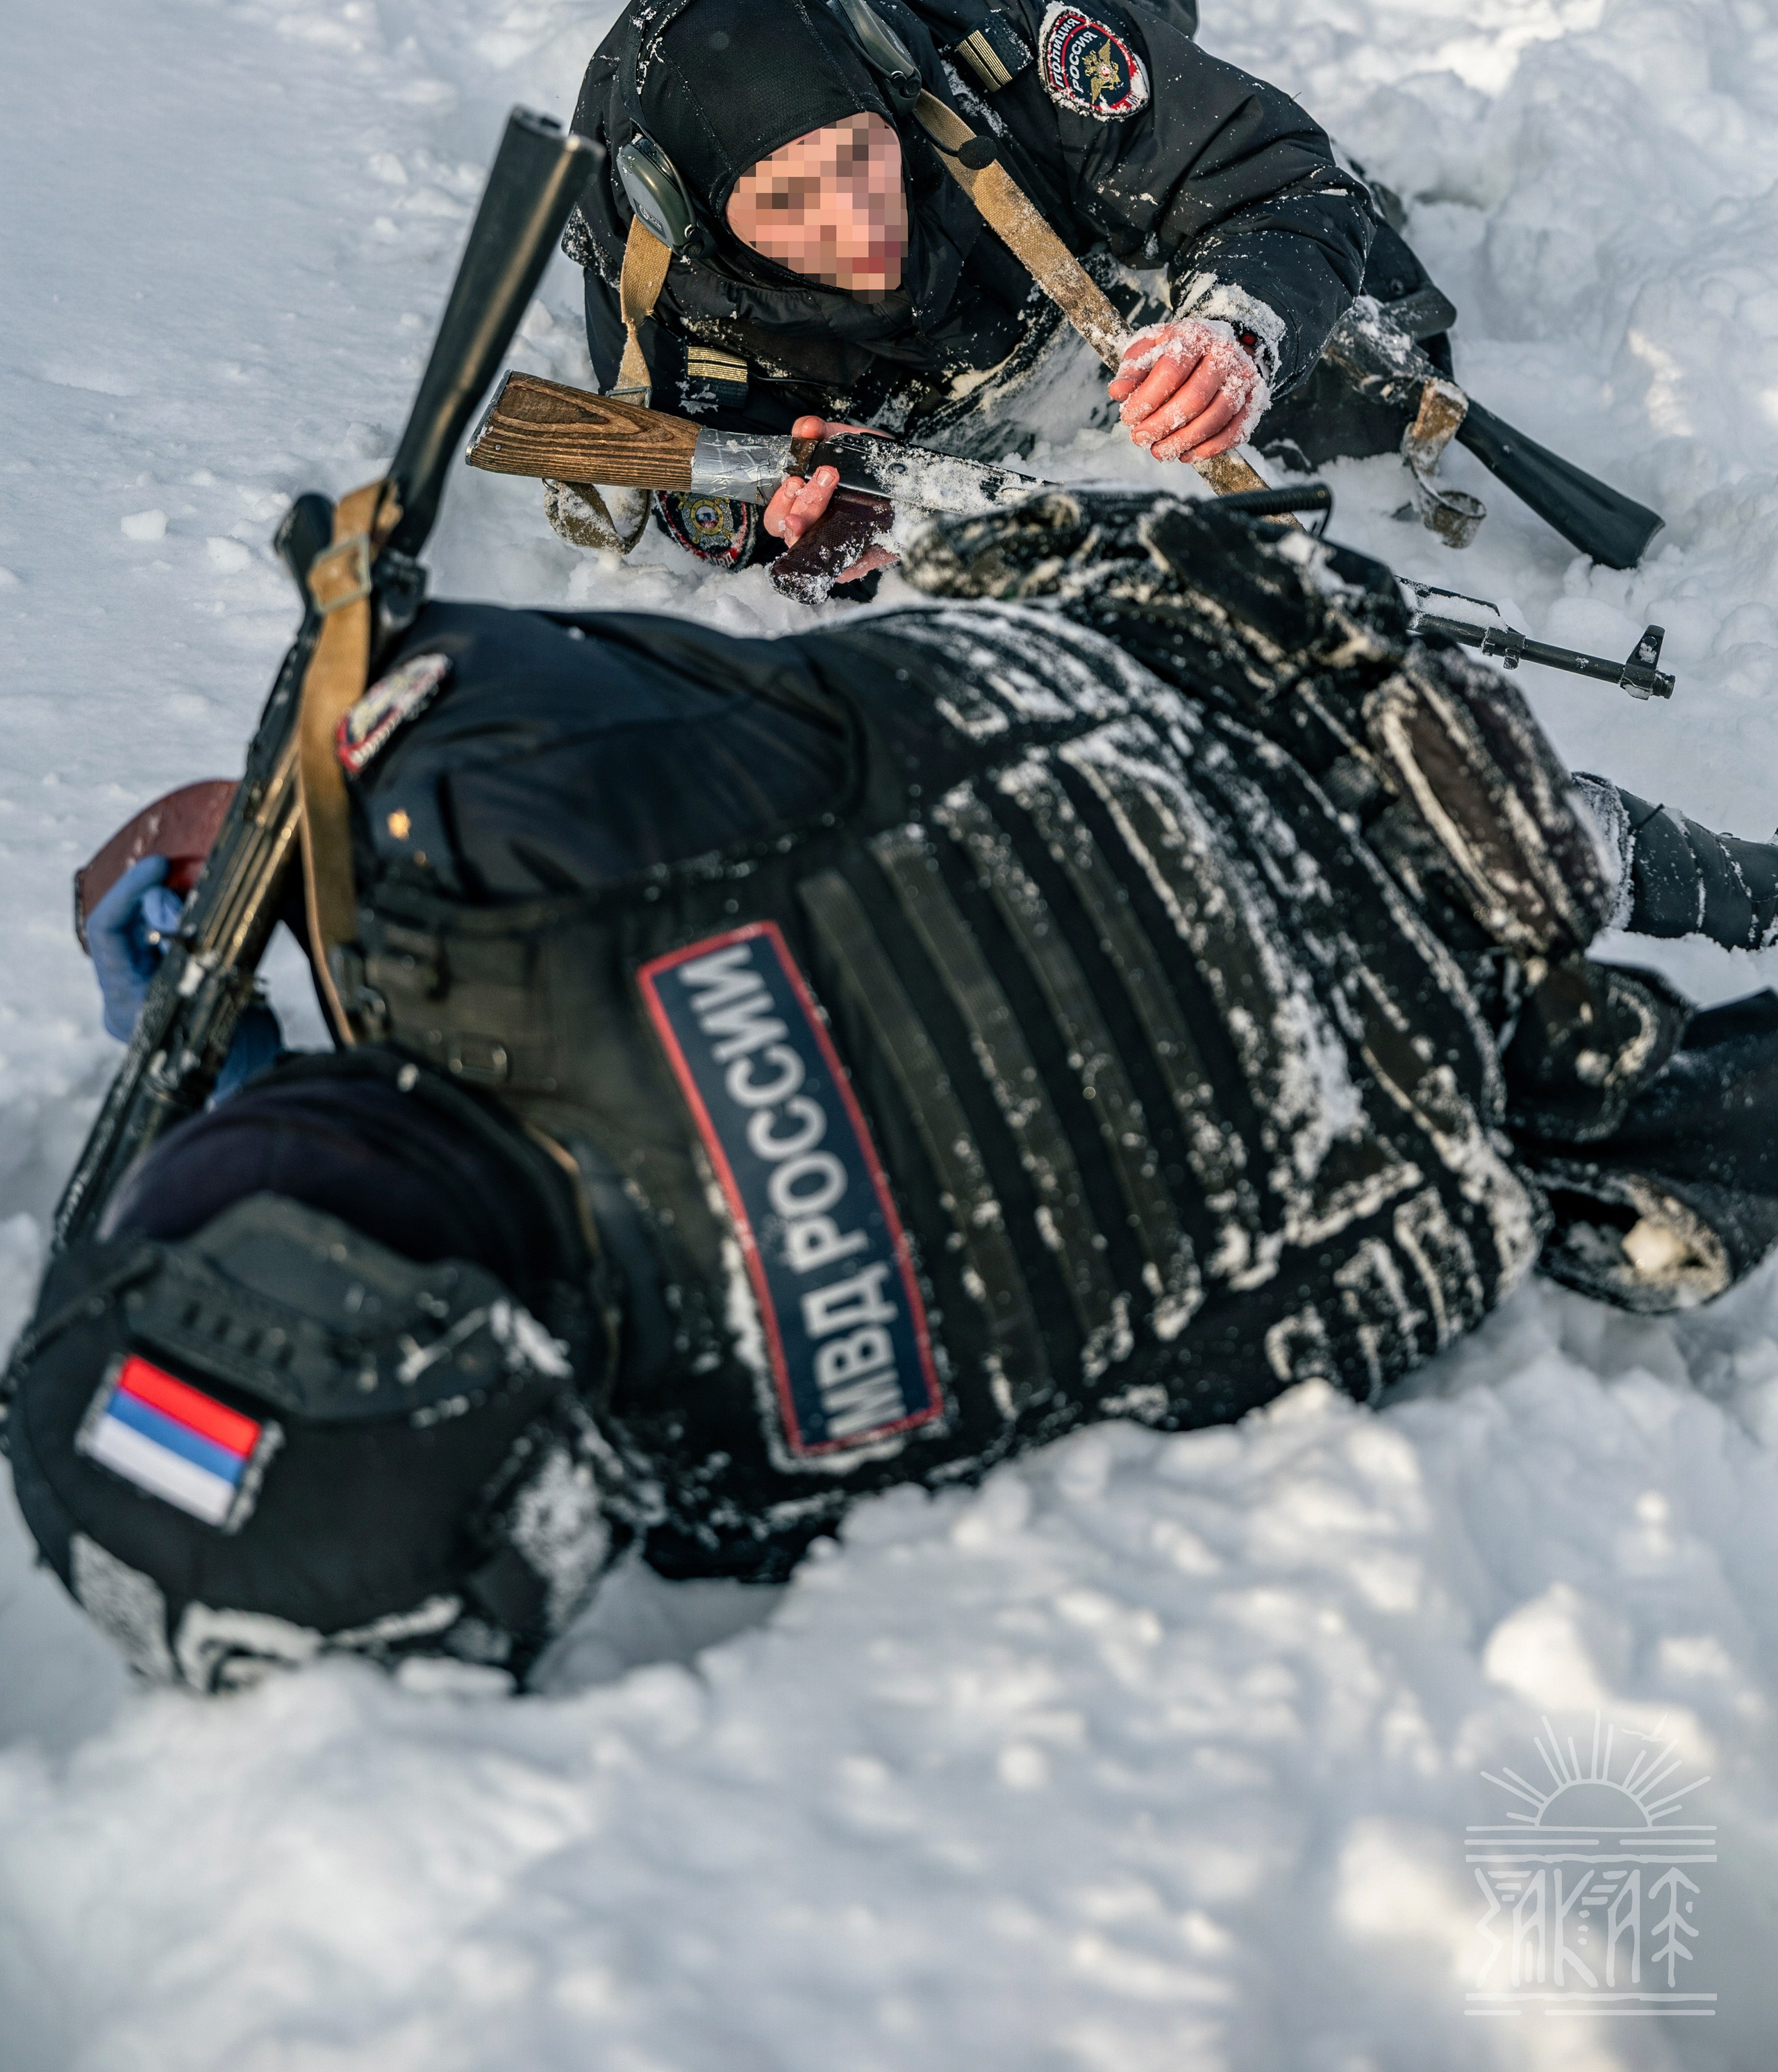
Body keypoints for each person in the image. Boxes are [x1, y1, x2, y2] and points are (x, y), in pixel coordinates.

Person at [8, 490, 1778, 1695]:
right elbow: (565, 707)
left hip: (1414, 1121)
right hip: (1239, 738)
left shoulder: (719, 1494)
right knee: (1114, 641)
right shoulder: (470, 846)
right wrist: (292, 814)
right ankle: (1712, 871)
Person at [557, 0, 1440, 579]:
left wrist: (1235, 331)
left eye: (859, 154)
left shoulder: (1004, 55)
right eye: (788, 201)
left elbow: (1273, 180)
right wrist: (790, 508)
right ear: (695, 212)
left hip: (1109, 291)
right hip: (952, 431)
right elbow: (689, 476)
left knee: (1376, 385)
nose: (856, 216)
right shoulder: (657, 281)